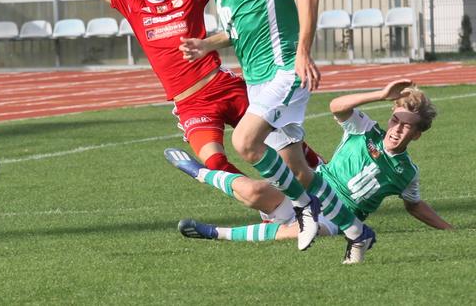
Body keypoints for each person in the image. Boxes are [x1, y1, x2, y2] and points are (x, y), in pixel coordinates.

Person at [56, 0, 324, 250]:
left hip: (223, 85)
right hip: (190, 103)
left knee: (282, 139)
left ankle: (326, 180)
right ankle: (272, 205)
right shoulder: (131, 3)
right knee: (215, 162)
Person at [178, 0, 375, 261]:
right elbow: (237, 29)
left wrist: (302, 52)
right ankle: (357, 232)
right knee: (297, 169)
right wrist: (208, 44)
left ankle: (304, 210)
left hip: (284, 72)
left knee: (245, 142)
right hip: (258, 81)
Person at [170, 79, 453, 264]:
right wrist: (379, 95)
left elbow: (415, 206)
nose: (397, 129)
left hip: (338, 218)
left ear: (417, 134)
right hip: (312, 189)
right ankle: (197, 171)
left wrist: (449, 230)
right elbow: (337, 107)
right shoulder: (366, 130)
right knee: (253, 191)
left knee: (306, 231)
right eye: (395, 120)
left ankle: (213, 233)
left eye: (407, 126)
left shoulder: (407, 173)